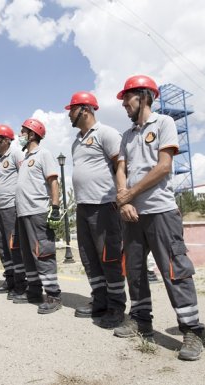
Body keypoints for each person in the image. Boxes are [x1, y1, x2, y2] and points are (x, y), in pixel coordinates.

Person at [114, 75, 205, 361]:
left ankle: (191, 329)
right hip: (132, 215)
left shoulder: (163, 123)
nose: (124, 104)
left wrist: (129, 195)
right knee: (136, 271)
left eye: (127, 97)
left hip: (161, 211)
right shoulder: (127, 135)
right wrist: (122, 198)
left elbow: (164, 167)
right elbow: (121, 168)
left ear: (143, 96)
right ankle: (141, 320)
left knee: (175, 270)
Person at [66, 91, 127, 329]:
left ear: (85, 109)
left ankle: (116, 306)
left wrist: (122, 198)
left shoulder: (107, 133)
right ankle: (100, 300)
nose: (69, 114)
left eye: (72, 109)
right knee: (89, 257)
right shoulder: (76, 142)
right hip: (83, 206)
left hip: (105, 206)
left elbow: (121, 165)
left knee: (109, 257)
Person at [13, 118, 63, 314]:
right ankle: (34, 291)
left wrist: (56, 207)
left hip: (38, 212)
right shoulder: (25, 158)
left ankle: (53, 295)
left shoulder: (44, 154)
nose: (20, 136)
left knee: (43, 253)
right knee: (28, 255)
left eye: (23, 132)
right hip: (23, 213)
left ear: (32, 134)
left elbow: (53, 181)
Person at [0, 124, 26, 299]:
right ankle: (10, 280)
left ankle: (20, 284)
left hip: (12, 207)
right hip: (0, 208)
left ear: (5, 140)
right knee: (3, 247)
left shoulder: (16, 154)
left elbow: (24, 177)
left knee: (14, 247)